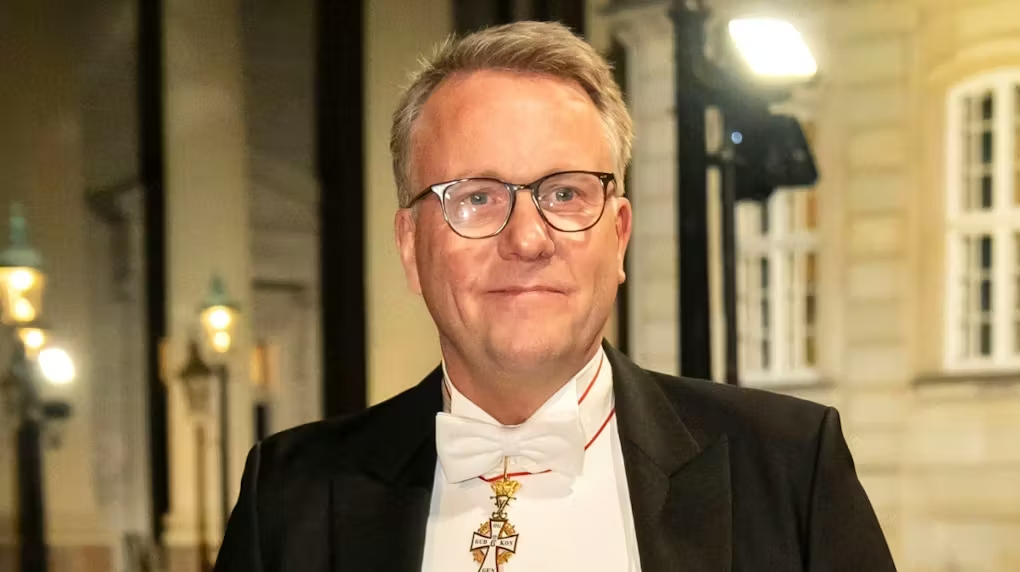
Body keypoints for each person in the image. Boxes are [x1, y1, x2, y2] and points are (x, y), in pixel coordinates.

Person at [214, 21, 896, 572]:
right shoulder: (290, 498)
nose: (527, 239)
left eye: (565, 193)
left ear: (618, 236)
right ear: (409, 247)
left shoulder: (787, 469)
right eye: (477, 197)